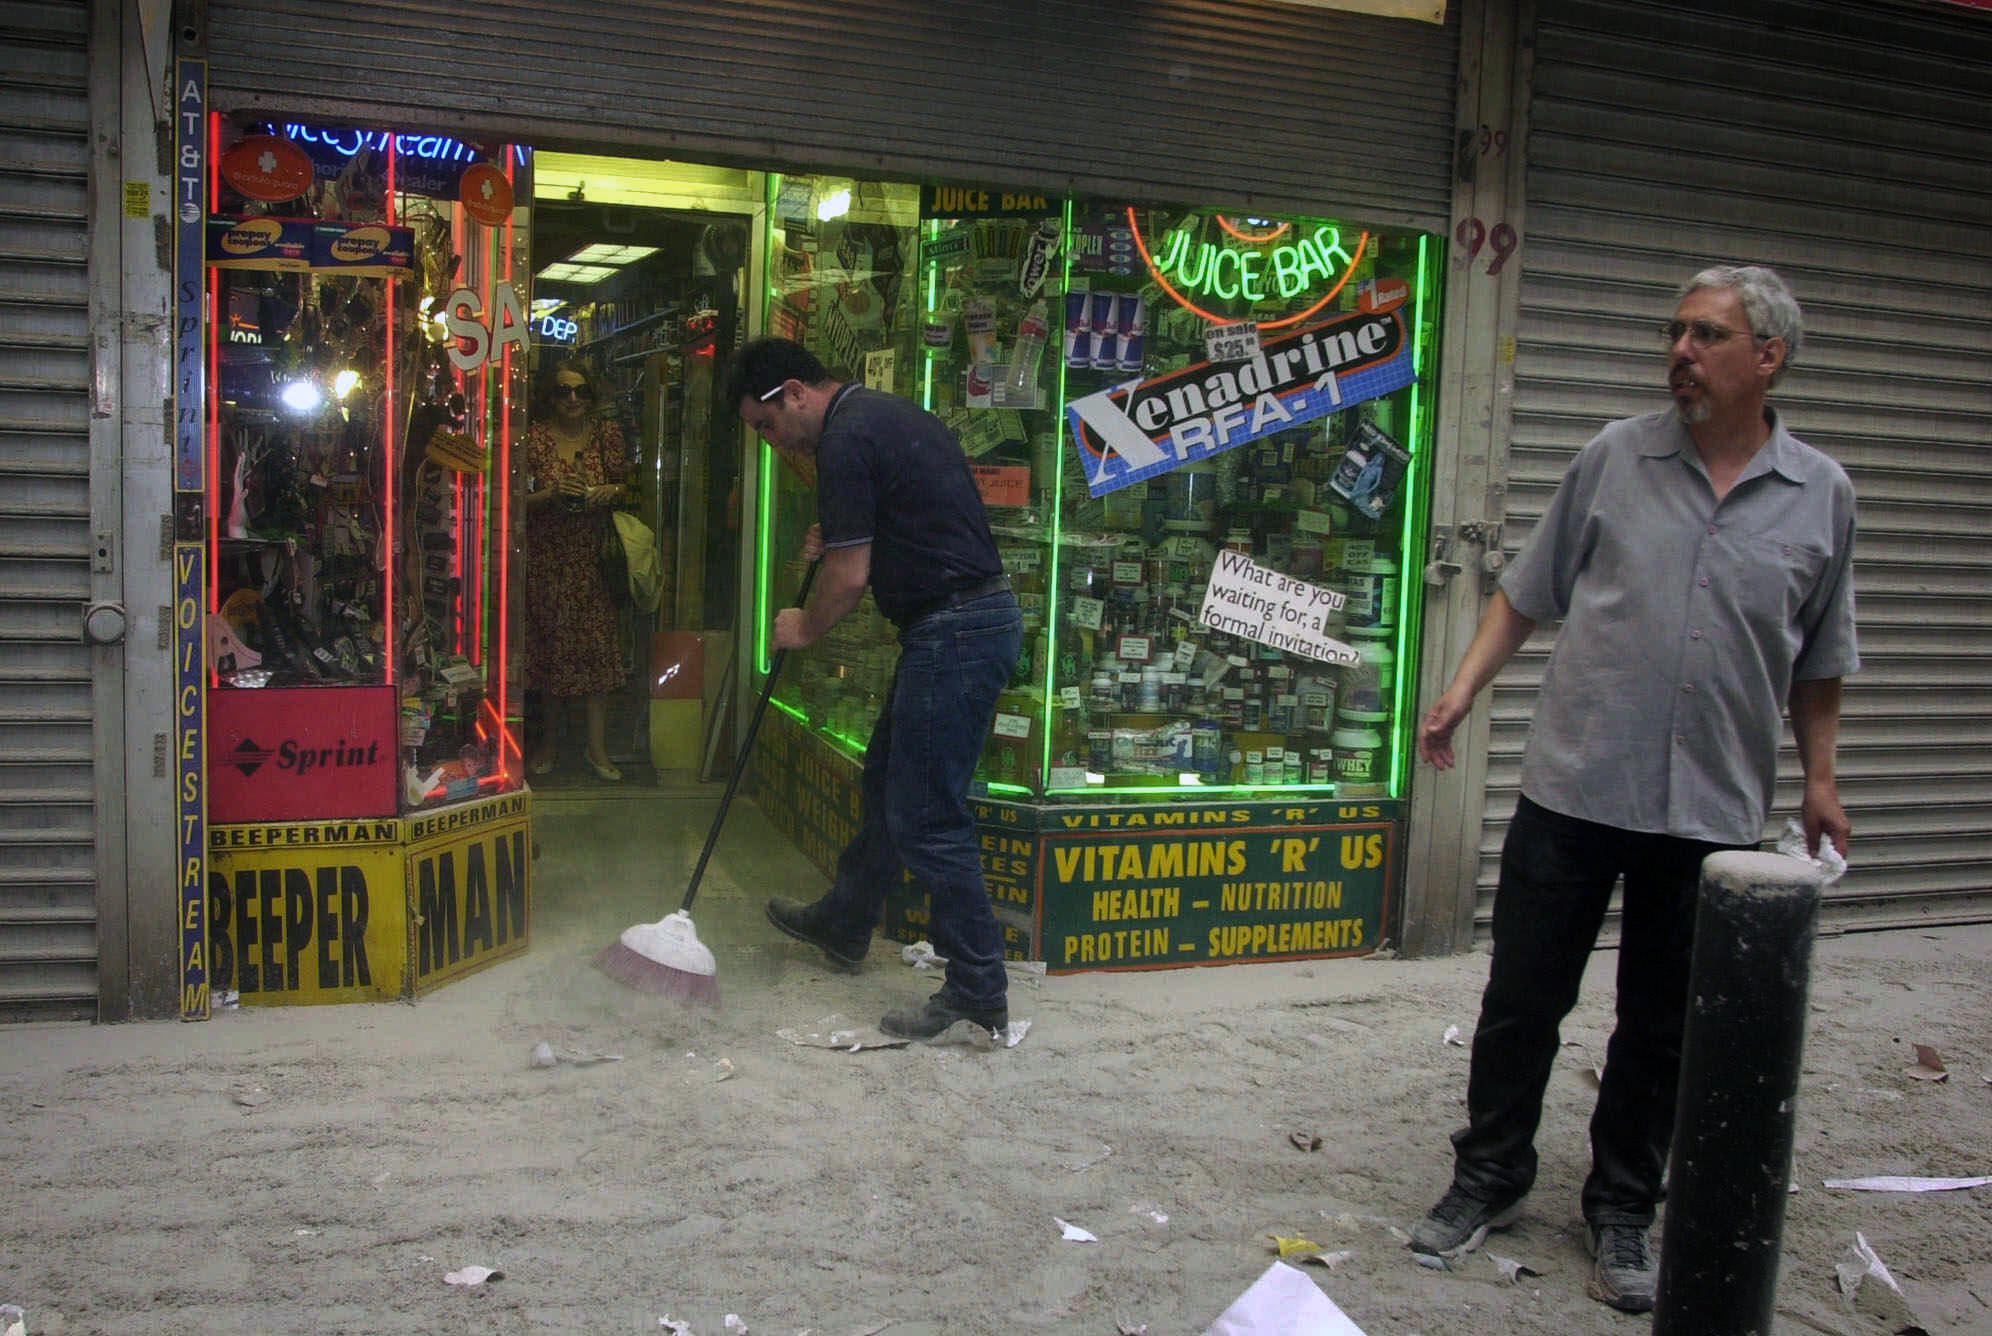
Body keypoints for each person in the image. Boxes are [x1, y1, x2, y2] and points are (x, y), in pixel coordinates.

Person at [1408, 265, 1858, 1312]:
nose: (1682, 352)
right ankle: (1489, 1175)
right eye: (1677, 332)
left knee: (1662, 1022)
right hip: (1575, 786)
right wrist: (1460, 693)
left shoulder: (1821, 494)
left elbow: (1821, 658)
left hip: (1711, 806)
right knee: (1523, 999)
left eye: (1707, 335)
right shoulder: (1614, 457)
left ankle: (1622, 1206)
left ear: (1768, 357)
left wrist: (1824, 780)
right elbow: (1525, 592)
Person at [726, 338, 1021, 1042]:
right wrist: (844, 531)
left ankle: (979, 987)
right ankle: (848, 919)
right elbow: (912, 514)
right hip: (962, 622)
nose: (771, 443)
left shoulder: (844, 440)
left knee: (927, 816)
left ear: (793, 391)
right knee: (890, 778)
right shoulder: (881, 416)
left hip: (955, 628)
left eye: (766, 427)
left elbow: (851, 579)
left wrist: (804, 625)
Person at [521, 359, 629, 781]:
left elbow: (627, 486)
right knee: (550, 655)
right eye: (564, 391)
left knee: (597, 656)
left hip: (592, 560)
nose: (572, 399)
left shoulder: (607, 437)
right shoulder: (535, 441)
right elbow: (512, 499)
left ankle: (597, 748)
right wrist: (551, 492)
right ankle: (548, 744)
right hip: (548, 560)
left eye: (580, 391)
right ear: (550, 397)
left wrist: (607, 490)